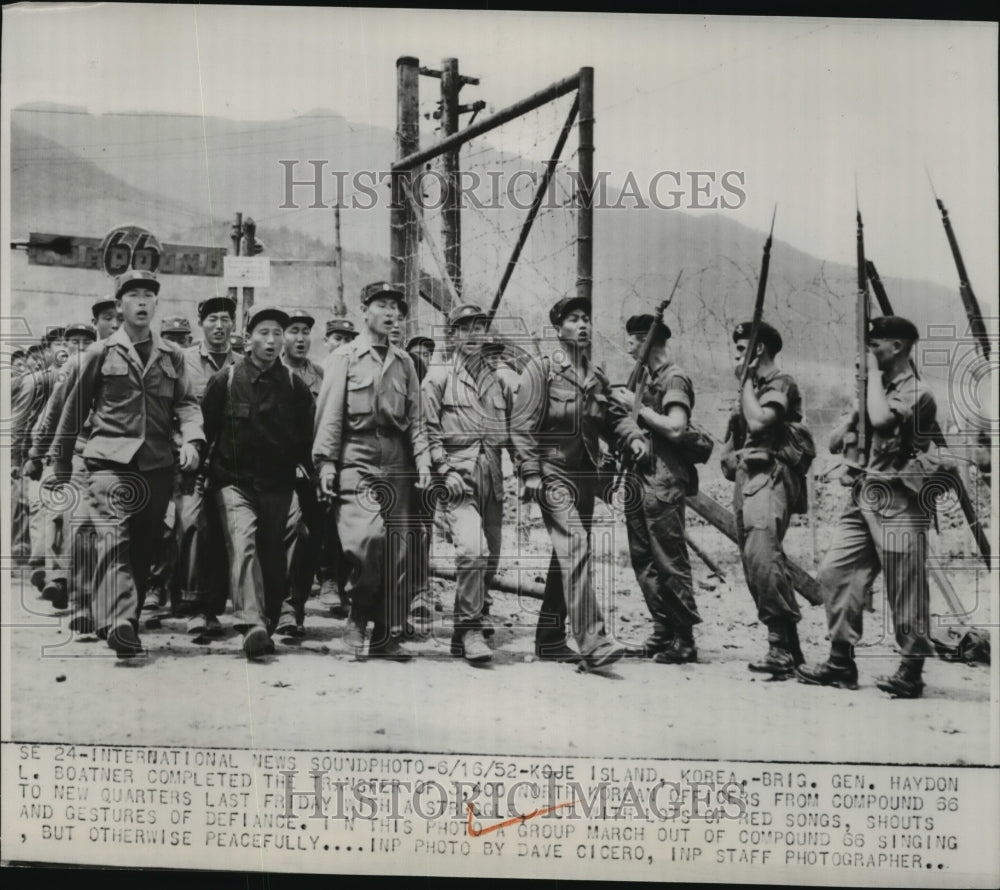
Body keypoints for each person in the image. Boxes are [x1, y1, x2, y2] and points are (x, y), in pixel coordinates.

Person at [48, 270, 203, 657]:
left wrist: (192, 439)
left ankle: (119, 620)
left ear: (156, 304)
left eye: (149, 295)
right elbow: (74, 410)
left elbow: (186, 404)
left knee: (143, 547)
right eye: (133, 295)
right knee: (115, 540)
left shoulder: (172, 354)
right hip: (108, 464)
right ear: (120, 306)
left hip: (157, 464)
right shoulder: (100, 352)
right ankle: (121, 622)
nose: (142, 301)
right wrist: (60, 463)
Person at [797, 316, 937, 698]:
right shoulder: (871, 392)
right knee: (836, 570)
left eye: (875, 346)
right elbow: (835, 441)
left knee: (905, 585)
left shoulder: (918, 392)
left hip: (899, 499)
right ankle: (840, 662)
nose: (868, 353)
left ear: (898, 346)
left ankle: (911, 671)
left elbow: (884, 421)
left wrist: (870, 381)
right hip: (864, 497)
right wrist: (854, 413)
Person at [510, 295, 636, 671]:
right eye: (574, 319)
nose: (582, 325)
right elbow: (522, 425)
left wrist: (633, 437)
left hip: (585, 478)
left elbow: (613, 418)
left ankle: (549, 639)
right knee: (576, 545)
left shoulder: (595, 376)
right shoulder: (542, 370)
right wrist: (530, 472)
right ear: (558, 328)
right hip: (552, 473)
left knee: (565, 555)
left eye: (586, 319)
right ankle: (594, 642)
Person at [313, 281, 431, 661]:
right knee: (368, 541)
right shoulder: (344, 357)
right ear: (364, 311)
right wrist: (326, 463)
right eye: (382, 305)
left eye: (396, 307)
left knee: (398, 551)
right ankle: (358, 617)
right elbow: (329, 414)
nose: (391, 313)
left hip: (397, 462)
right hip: (356, 458)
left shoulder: (405, 362)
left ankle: (383, 635)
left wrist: (424, 461)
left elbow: (416, 420)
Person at [201, 306, 315, 659]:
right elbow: (205, 430)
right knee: (243, 543)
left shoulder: (295, 385)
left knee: (273, 555)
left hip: (278, 485)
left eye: (277, 334)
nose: (271, 340)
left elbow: (306, 440)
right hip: (233, 483)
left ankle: (267, 618)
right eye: (263, 333)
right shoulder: (226, 379)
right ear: (248, 338)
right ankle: (252, 624)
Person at [610, 309, 704, 664]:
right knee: (644, 558)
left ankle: (684, 638)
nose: (628, 345)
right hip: (641, 475)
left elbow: (676, 427)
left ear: (647, 341)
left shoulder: (674, 379)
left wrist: (635, 406)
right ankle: (663, 629)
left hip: (663, 479)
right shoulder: (648, 378)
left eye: (633, 339)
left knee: (668, 558)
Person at [719, 321, 810, 678]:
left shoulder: (781, 383)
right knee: (755, 562)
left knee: (762, 555)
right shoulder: (752, 390)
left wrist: (744, 384)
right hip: (748, 479)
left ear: (758, 350)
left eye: (742, 349)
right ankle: (789, 649)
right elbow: (731, 449)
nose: (736, 356)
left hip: (772, 476)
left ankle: (779, 648)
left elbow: (759, 423)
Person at [422, 303, 512, 663]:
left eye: (479, 328)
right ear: (453, 335)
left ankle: (463, 629)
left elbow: (513, 431)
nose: (474, 335)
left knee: (491, 557)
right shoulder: (439, 376)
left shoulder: (497, 380)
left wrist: (527, 469)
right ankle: (472, 627)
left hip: (493, 479)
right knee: (472, 551)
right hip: (458, 480)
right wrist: (444, 470)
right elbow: (426, 428)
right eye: (465, 328)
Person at [182, 297, 238, 632]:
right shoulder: (183, 361)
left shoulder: (244, 364)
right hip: (192, 461)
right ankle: (195, 606)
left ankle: (214, 606)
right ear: (201, 323)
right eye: (213, 319)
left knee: (223, 530)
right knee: (192, 524)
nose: (219, 326)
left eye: (226, 319)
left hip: (231, 463)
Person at [276, 309, 325, 636]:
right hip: (279, 468)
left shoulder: (322, 375)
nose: (301, 338)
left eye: (305, 331)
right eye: (293, 331)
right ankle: (285, 607)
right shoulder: (272, 373)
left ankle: (298, 606)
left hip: (314, 468)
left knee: (313, 539)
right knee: (290, 530)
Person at [318, 318, 359, 618]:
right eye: (337, 338)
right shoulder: (318, 371)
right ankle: (326, 578)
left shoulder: (356, 367)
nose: (342, 344)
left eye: (348, 339)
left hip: (350, 454)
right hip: (320, 452)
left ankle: (341, 583)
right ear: (326, 341)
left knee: (346, 523)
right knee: (323, 521)